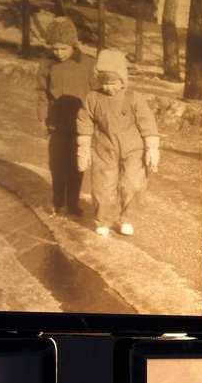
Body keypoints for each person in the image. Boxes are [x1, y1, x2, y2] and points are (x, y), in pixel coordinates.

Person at [75, 48, 158, 236]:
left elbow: (147, 122)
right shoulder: (93, 98)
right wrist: (84, 148)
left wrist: (152, 147)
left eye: (113, 83)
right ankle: (103, 220)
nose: (108, 88)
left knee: (133, 184)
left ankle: (127, 219)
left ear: (123, 80)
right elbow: (84, 121)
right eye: (104, 83)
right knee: (103, 185)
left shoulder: (133, 98)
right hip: (104, 148)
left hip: (133, 149)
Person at [35, 16, 96, 216]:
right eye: (55, 49)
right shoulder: (47, 63)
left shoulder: (88, 63)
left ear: (73, 44)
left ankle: (73, 204)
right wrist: (43, 117)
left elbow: (96, 94)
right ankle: (58, 200)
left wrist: (95, 121)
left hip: (81, 124)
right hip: (57, 123)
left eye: (63, 48)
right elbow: (42, 91)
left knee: (77, 165)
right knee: (57, 164)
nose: (59, 53)